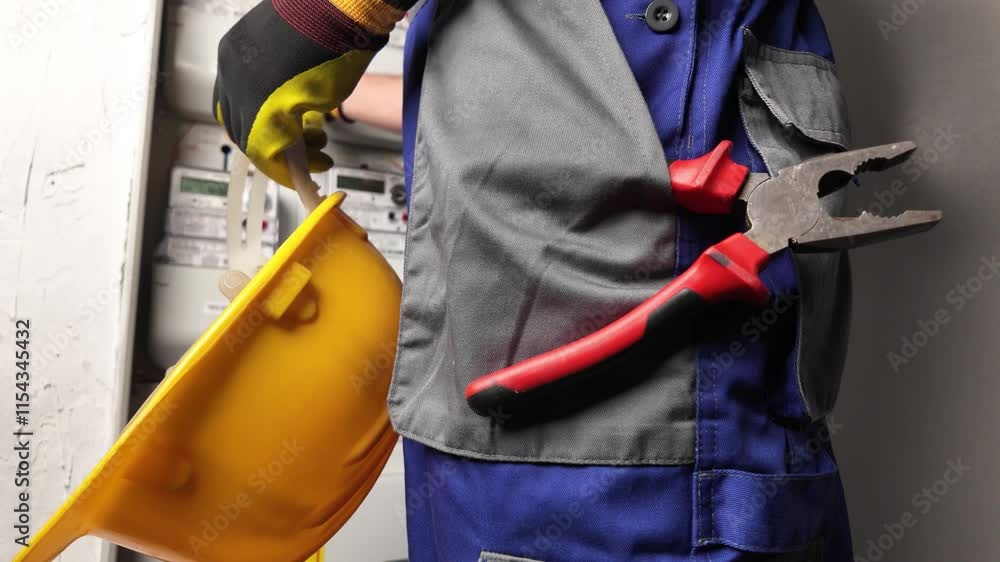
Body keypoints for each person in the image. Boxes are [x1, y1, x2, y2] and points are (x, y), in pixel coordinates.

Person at [214, 1, 856, 560]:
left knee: (598, 481)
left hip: (645, 88)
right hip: (582, 144)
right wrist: (359, 96)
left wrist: (329, 12)